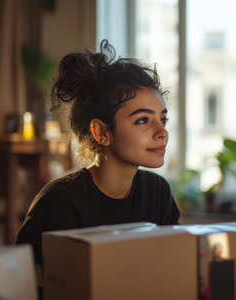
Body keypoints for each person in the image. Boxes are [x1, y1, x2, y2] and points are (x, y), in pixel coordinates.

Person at [16, 40, 180, 269]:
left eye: (162, 119)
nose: (162, 132)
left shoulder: (157, 193)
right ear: (101, 131)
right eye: (143, 120)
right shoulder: (60, 203)